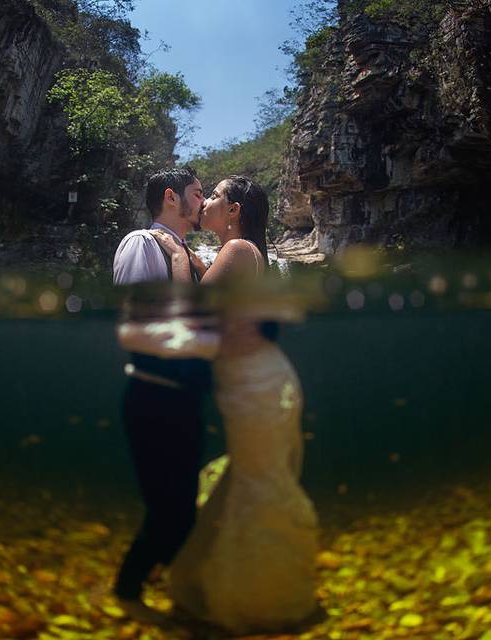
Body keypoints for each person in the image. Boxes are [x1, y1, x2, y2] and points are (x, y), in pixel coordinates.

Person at [151, 176, 320, 635]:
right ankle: (221, 592)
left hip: (257, 384)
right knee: (244, 481)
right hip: (256, 379)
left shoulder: (239, 251)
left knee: (257, 484)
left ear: (234, 211)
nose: (205, 202)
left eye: (216, 197)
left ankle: (258, 601)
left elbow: (193, 312)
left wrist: (175, 257)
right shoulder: (241, 253)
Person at [111, 167, 212, 622]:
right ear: (172, 198)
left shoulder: (189, 253)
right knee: (169, 514)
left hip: (182, 400)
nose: (203, 199)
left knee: (181, 514)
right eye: (196, 193)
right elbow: (139, 324)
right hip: (154, 398)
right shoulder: (141, 243)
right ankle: (127, 594)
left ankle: (152, 586)